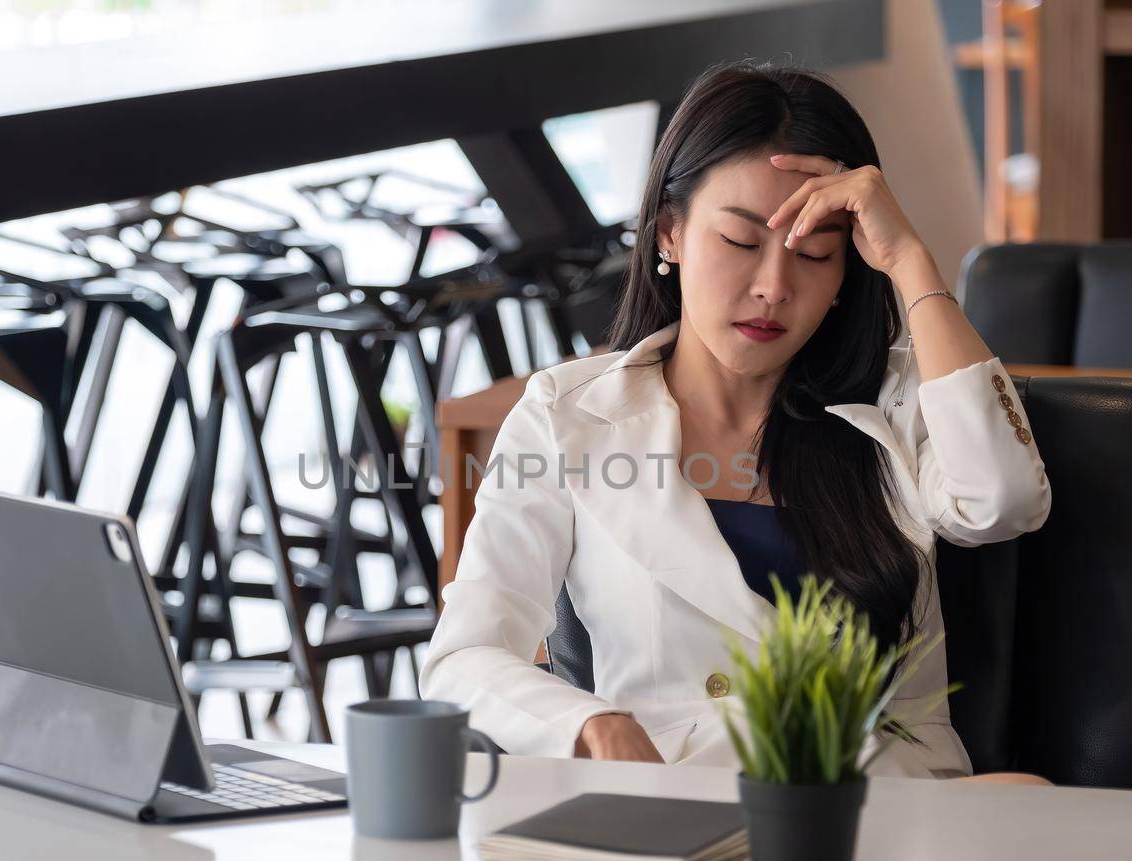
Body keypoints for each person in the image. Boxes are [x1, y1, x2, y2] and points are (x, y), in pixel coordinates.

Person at [420, 61, 1051, 784]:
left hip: (883, 813)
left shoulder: (903, 397)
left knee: (1038, 804)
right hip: (682, 807)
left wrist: (910, 262)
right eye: (741, 243)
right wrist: (590, 724)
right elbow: (463, 657)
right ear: (669, 234)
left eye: (815, 254)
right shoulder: (570, 416)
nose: (773, 289)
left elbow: (1001, 502)